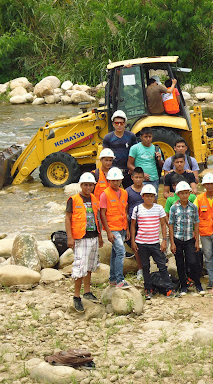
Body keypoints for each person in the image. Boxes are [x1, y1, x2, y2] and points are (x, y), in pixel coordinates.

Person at [130, 184, 177, 299]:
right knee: (145, 267)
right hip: (141, 243)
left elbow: (163, 225)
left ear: (154, 197)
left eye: (152, 196)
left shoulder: (159, 208)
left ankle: (168, 289)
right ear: (143, 197)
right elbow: (133, 226)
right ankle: (148, 289)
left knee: (162, 265)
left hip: (155, 243)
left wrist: (164, 241)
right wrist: (133, 241)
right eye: (147, 196)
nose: (149, 198)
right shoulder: (137, 209)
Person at [65, 172, 103, 312]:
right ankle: (76, 296)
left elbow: (97, 218)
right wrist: (70, 237)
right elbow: (68, 218)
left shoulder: (94, 199)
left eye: (90, 185)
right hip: (80, 238)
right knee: (80, 267)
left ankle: (87, 292)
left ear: (94, 186)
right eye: (85, 185)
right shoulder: (73, 199)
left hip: (93, 236)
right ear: (81, 185)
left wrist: (99, 236)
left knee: (89, 266)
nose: (88, 187)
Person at [168, 181, 204, 295]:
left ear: (189, 193)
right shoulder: (174, 208)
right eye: (182, 193)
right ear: (178, 194)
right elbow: (171, 224)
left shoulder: (193, 207)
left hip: (189, 239)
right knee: (180, 263)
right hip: (178, 238)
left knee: (193, 262)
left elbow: (196, 224)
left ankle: (197, 283)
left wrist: (197, 241)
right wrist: (172, 243)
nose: (184, 195)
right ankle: (183, 286)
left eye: (186, 193)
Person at [99, 167, 130, 289]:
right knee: (121, 252)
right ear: (109, 181)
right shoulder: (105, 194)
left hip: (122, 227)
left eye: (117, 180)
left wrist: (127, 229)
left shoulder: (124, 193)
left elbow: (125, 211)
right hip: (112, 228)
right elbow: (102, 214)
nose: (115, 182)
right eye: (113, 180)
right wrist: (108, 232)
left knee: (115, 253)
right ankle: (119, 280)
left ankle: (112, 278)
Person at [102, 110, 137, 188]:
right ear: (113, 124)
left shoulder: (131, 136)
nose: (119, 125)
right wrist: (105, 171)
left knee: (128, 194)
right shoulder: (108, 138)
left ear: (125, 124)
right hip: (113, 170)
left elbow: (135, 153)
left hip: (128, 171)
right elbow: (104, 156)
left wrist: (133, 168)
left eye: (121, 123)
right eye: (117, 123)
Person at [127, 127, 163, 199]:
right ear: (141, 137)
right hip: (140, 181)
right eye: (145, 137)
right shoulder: (135, 148)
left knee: (153, 202)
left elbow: (162, 166)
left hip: (154, 179)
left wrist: (159, 160)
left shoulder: (156, 149)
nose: (148, 139)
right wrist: (141, 174)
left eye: (150, 137)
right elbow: (129, 164)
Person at [126, 167, 144, 279]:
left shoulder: (147, 189)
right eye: (136, 177)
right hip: (133, 222)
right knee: (136, 246)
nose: (138, 180)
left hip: (146, 222)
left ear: (143, 178)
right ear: (132, 178)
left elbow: (155, 205)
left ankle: (148, 266)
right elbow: (125, 210)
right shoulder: (127, 191)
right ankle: (140, 268)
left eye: (140, 177)